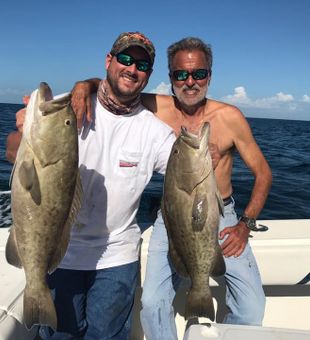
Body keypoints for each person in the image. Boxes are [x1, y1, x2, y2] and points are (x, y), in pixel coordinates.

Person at [71, 36, 272, 339]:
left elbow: (264, 174)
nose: (190, 82)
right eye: (180, 75)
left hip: (223, 215)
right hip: (173, 215)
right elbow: (116, 83)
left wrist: (245, 224)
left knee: (253, 304)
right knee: (152, 303)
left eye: (198, 74)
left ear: (209, 76)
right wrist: (82, 86)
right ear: (170, 78)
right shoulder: (157, 107)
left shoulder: (230, 117)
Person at [6, 32, 176, 340]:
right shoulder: (67, 109)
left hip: (117, 258)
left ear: (148, 75)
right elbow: (11, 151)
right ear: (108, 61)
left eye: (141, 64)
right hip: (60, 254)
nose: (132, 68)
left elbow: (183, 176)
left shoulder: (155, 132)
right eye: (125, 59)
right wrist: (22, 130)